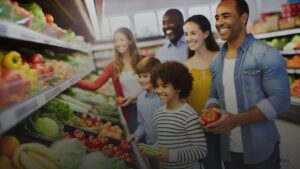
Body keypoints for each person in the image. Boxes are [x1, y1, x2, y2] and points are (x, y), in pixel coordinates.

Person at [203, 0, 290, 169]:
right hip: (228, 149)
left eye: (226, 16)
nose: (219, 22)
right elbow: (214, 95)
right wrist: (211, 110)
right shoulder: (216, 62)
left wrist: (236, 120)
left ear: (243, 18)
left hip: (261, 149)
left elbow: (281, 99)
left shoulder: (266, 54)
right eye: (217, 17)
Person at [77, 27, 142, 133]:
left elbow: (154, 84)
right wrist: (73, 81)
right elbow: (94, 85)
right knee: (140, 141)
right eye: (115, 41)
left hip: (149, 104)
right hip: (131, 109)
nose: (118, 43)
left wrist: (136, 97)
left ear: (130, 41)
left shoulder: (143, 60)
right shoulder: (112, 66)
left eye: (121, 40)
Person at [151, 61, 207, 169]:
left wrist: (171, 155)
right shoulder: (158, 114)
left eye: (164, 86)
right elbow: (164, 142)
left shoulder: (189, 115)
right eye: (157, 86)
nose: (159, 90)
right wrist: (151, 150)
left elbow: (201, 150)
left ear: (178, 87)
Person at [183, 15, 222, 169]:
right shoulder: (185, 67)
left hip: (227, 123)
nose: (189, 38)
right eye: (186, 34)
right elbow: (184, 102)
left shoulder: (221, 59)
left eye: (193, 33)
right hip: (200, 129)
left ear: (206, 33)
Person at [127, 56, 163, 169]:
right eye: (139, 76)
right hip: (151, 149)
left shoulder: (165, 98)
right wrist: (136, 135)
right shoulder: (141, 99)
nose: (141, 80)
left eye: (145, 76)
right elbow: (142, 123)